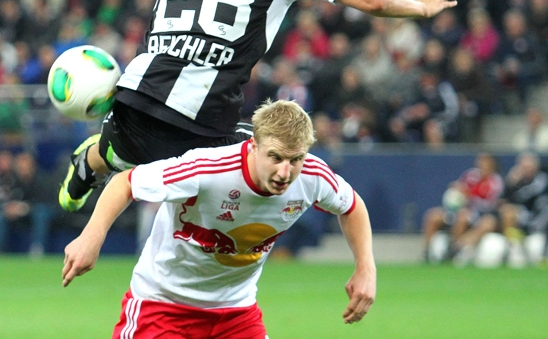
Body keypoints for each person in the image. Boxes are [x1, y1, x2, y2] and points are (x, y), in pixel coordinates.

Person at [36, 0, 457, 213]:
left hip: (131, 107)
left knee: (134, 155)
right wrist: (419, 6)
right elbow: (372, 0)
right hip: (204, 125)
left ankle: (97, 157)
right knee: (273, 166)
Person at [62, 100, 375, 337]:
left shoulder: (313, 176)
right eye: (275, 157)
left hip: (236, 314)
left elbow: (351, 206)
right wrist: (92, 236)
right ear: (253, 146)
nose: (285, 172)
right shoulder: (208, 170)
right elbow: (126, 182)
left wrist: (365, 267)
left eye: (296, 160)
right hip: (162, 306)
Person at [422, 152, 504, 265]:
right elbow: (457, 191)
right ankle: (427, 252)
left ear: (492, 163)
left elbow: (489, 204)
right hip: (459, 209)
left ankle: (453, 249)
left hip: (479, 213)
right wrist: (455, 192)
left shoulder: (495, 181)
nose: (481, 163)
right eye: (480, 160)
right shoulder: (470, 175)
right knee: (432, 215)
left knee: (463, 218)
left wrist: (468, 196)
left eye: (485, 161)